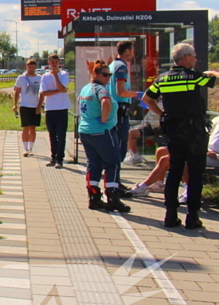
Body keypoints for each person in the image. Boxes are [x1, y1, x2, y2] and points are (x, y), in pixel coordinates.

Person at [143, 42, 219, 229]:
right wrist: (212, 72)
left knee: (174, 172)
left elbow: (146, 99)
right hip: (194, 132)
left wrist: (162, 114)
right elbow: (215, 80)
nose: (195, 59)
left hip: (174, 131)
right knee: (194, 174)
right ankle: (192, 217)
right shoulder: (194, 77)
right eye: (193, 56)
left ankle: (170, 215)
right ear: (186, 57)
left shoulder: (163, 79)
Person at [78, 60, 130, 212]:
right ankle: (112, 198)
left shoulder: (85, 89)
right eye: (104, 74)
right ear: (95, 75)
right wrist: (104, 119)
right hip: (102, 131)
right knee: (112, 163)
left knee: (93, 163)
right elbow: (106, 103)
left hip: (85, 131)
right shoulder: (101, 90)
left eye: (110, 75)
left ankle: (93, 197)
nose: (108, 77)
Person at [109, 41, 139, 196]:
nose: (133, 54)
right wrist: (139, 95)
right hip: (120, 111)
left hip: (114, 111)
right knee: (119, 148)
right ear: (127, 51)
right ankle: (115, 184)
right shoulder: (121, 67)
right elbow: (121, 91)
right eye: (132, 51)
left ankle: (115, 182)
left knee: (115, 147)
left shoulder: (112, 65)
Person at [38, 54, 70, 169]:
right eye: (52, 62)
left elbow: (63, 88)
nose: (54, 64)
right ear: (49, 63)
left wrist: (56, 76)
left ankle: (60, 159)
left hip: (62, 108)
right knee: (52, 135)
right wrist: (59, 90)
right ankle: (53, 157)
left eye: (56, 62)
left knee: (61, 135)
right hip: (50, 109)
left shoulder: (64, 74)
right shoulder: (45, 77)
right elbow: (44, 93)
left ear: (59, 63)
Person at [12, 59, 42, 157]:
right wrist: (15, 104)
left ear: (35, 68)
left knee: (33, 127)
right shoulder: (21, 78)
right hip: (24, 105)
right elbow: (16, 92)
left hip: (35, 106)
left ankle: (31, 148)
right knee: (26, 127)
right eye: (30, 67)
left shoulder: (40, 78)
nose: (31, 69)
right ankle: (25, 149)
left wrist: (40, 105)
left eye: (33, 67)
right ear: (26, 67)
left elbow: (42, 93)